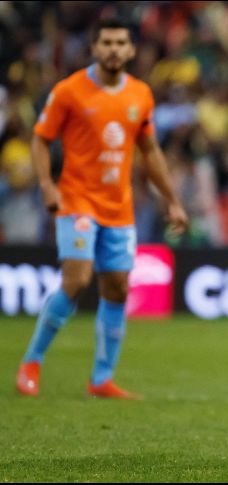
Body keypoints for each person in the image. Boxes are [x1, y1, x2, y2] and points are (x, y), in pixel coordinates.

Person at [15, 18, 188, 399]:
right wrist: (46, 184)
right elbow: (41, 140)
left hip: (119, 207)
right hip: (76, 200)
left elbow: (150, 151)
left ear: (130, 50)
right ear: (94, 47)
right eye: (106, 42)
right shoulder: (69, 91)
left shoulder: (140, 94)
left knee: (117, 288)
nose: (113, 48)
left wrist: (172, 201)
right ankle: (31, 362)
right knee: (76, 281)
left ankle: (101, 379)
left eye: (120, 42)